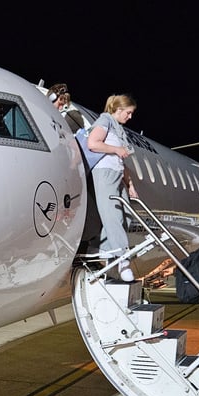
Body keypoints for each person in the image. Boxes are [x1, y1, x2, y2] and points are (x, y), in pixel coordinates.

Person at [86, 95, 138, 282]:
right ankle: (123, 261)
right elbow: (93, 143)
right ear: (118, 109)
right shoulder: (105, 120)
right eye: (128, 112)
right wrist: (116, 149)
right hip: (104, 173)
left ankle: (101, 248)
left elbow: (122, 162)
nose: (130, 116)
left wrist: (130, 184)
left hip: (118, 175)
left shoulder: (119, 129)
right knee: (112, 216)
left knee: (127, 215)